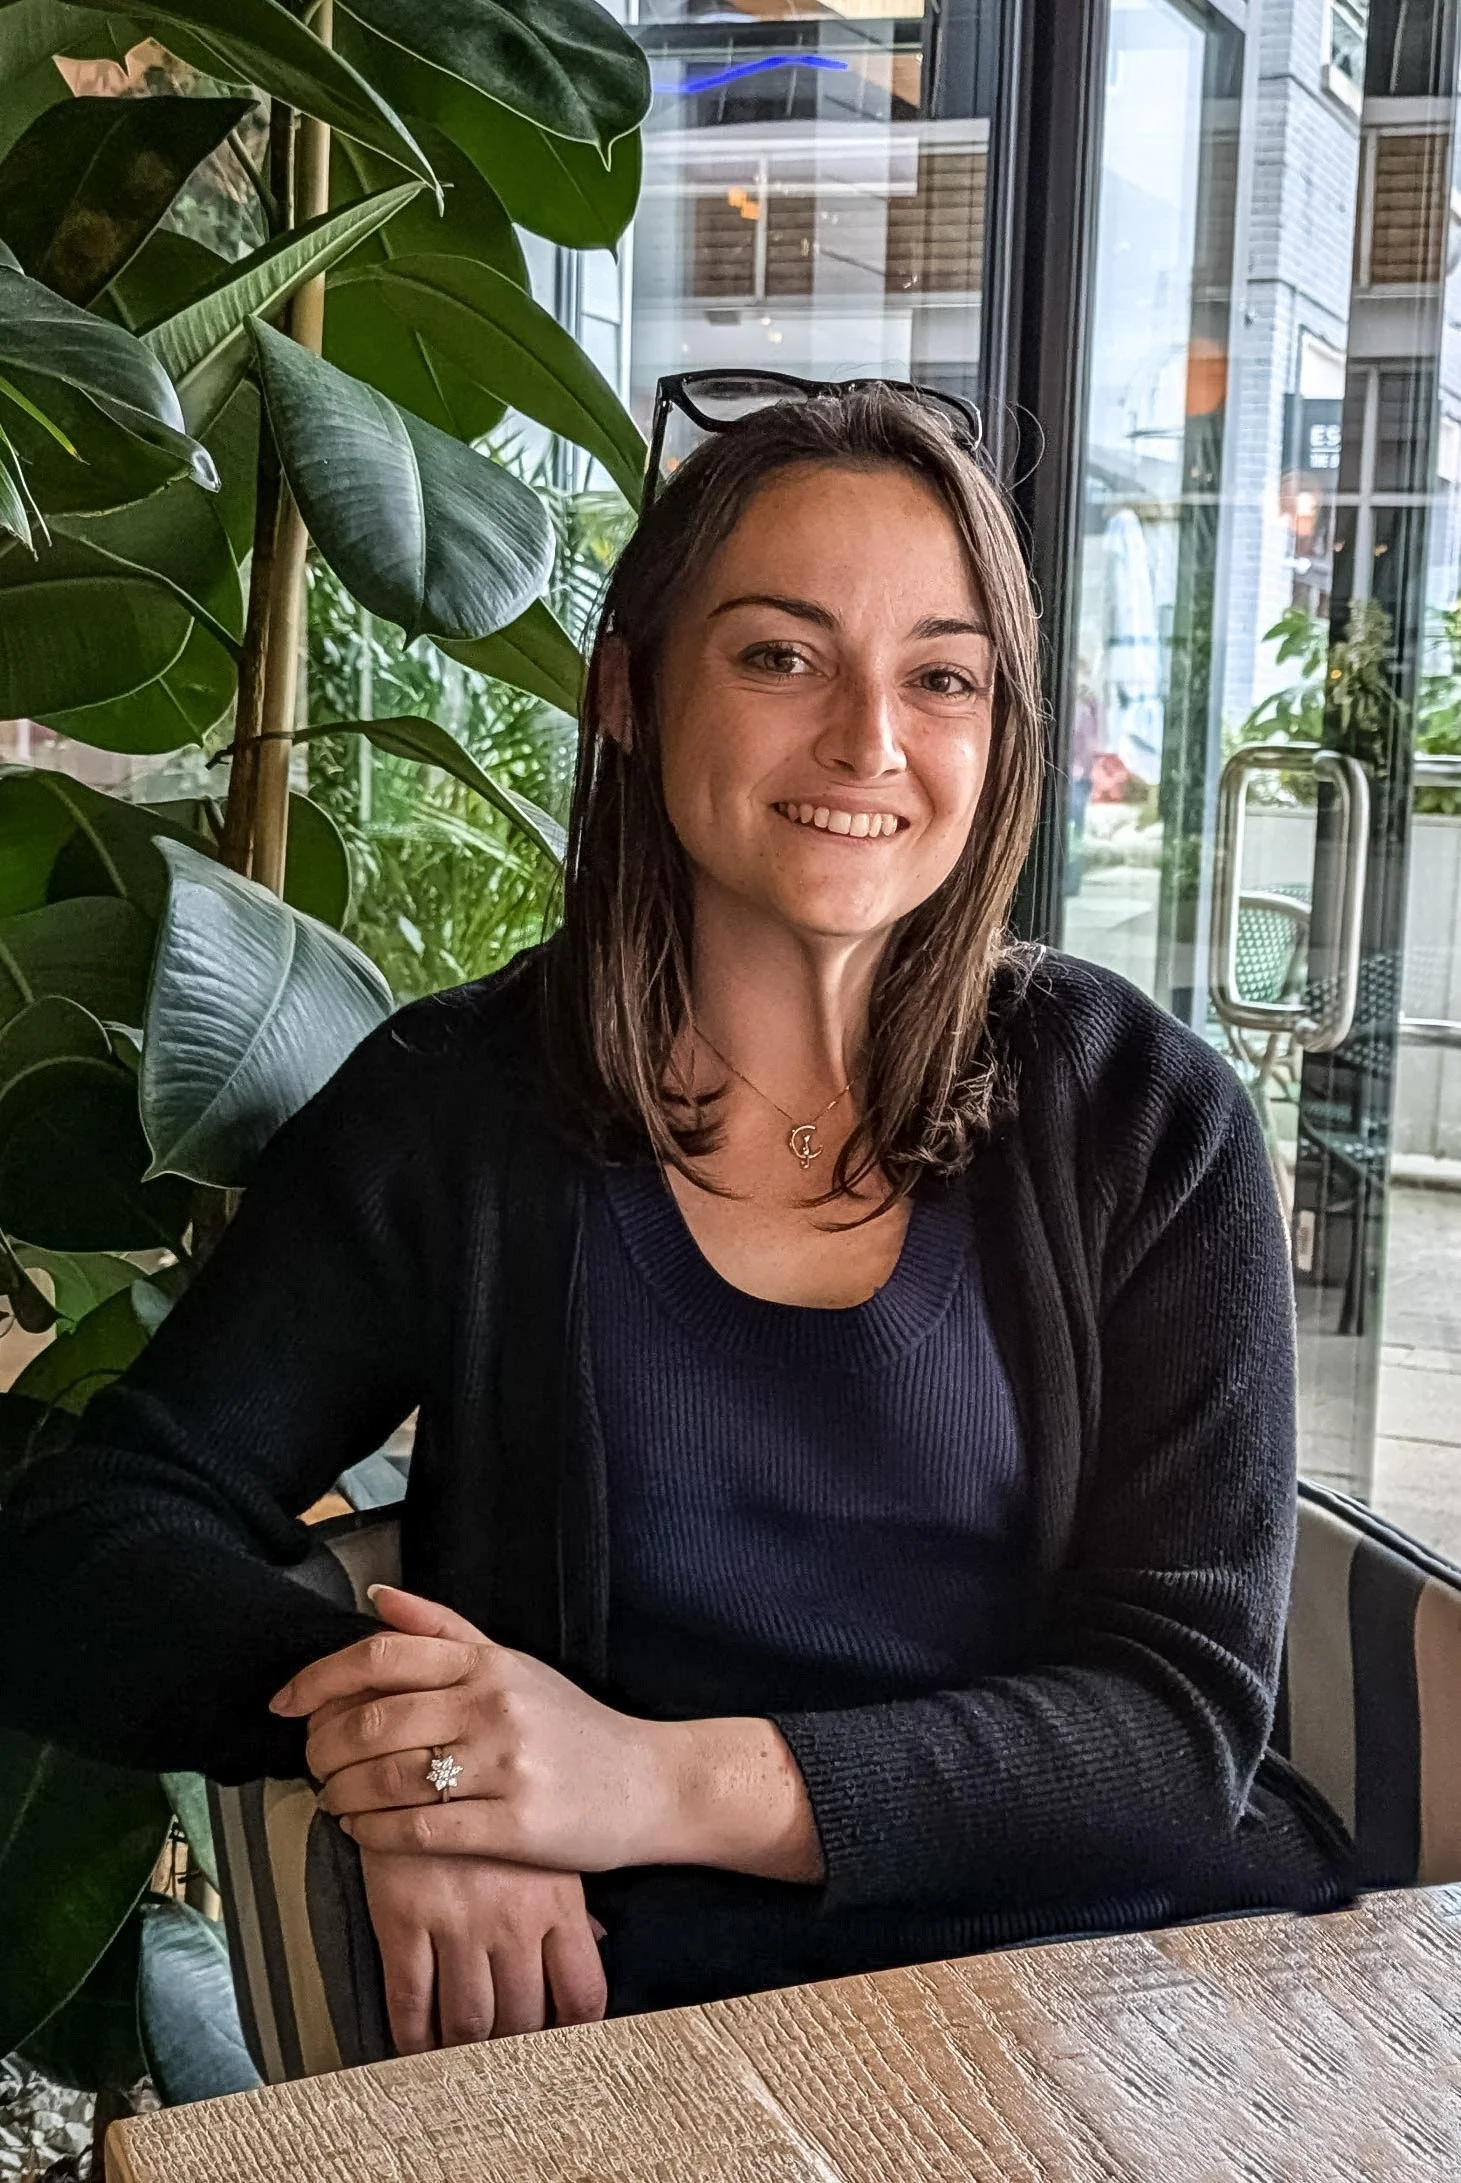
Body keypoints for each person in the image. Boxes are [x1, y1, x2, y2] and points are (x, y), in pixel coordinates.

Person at [0, 382, 1353, 2061]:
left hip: (1126, 2004)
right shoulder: (457, 1110)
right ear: (630, 690)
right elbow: (83, 1546)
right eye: (780, 656)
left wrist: (629, 1779)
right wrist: (434, 1755)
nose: (870, 739)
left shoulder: (1148, 1122)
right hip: (658, 2039)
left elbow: (1177, 1729)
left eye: (942, 675)